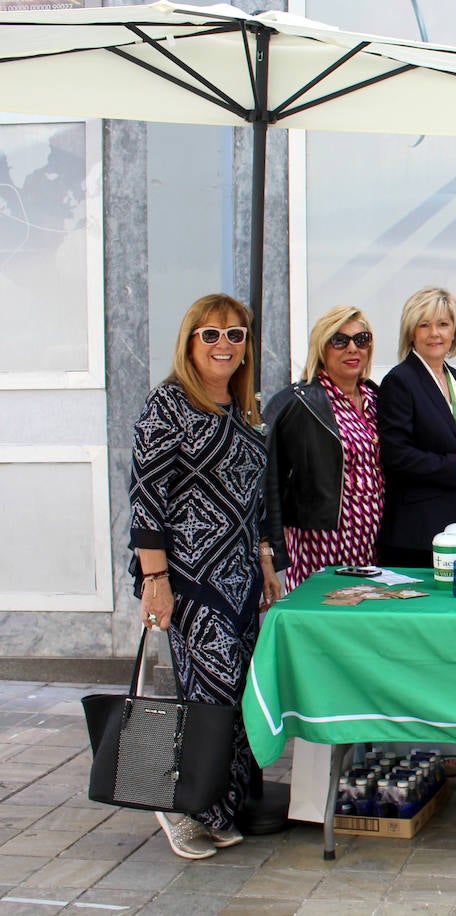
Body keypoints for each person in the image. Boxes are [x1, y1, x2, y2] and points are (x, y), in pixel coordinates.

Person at [128, 293, 282, 860]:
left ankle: (216, 805)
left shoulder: (244, 411)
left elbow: (255, 499)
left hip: (240, 576)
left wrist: (266, 559)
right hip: (190, 578)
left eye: (235, 335)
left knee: (234, 692)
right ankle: (182, 807)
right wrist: (155, 579)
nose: (224, 345)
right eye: (211, 334)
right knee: (210, 691)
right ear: (190, 341)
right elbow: (147, 497)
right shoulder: (168, 405)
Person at [264, 305, 383, 591]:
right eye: (340, 340)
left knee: (363, 627)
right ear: (322, 348)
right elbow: (267, 481)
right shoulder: (297, 402)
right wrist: (270, 551)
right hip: (320, 541)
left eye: (361, 339)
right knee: (319, 622)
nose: (353, 349)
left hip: (372, 541)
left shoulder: (376, 398)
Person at [376, 287, 456, 569]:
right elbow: (396, 456)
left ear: (454, 332)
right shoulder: (400, 380)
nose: (434, 333)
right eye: (424, 324)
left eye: (443, 324)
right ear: (411, 331)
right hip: (417, 534)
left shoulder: (453, 377)